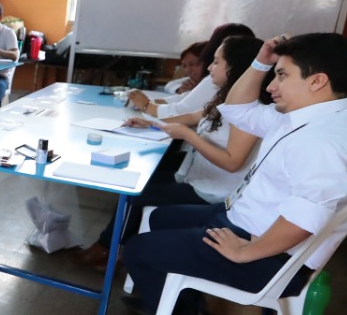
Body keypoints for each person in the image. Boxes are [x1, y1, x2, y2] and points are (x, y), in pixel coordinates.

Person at [117, 32, 347, 315]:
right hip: (244, 220)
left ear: (317, 81)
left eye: (282, 75)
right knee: (157, 218)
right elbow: (236, 109)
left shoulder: (322, 142)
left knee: (140, 250)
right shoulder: (316, 115)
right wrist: (260, 62)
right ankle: (174, 300)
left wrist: (245, 252)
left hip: (268, 254)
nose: (270, 85)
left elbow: (306, 218)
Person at [69, 35, 269, 269]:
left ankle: (106, 251)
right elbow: (194, 116)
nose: (210, 68)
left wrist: (188, 135)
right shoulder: (224, 96)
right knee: (142, 181)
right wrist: (153, 124)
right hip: (197, 179)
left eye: (216, 62)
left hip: (213, 193)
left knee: (135, 195)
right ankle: (118, 246)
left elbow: (233, 162)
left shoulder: (250, 111)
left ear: (236, 68)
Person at [127, 24, 255, 118]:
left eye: (216, 61)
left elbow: (182, 112)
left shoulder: (217, 81)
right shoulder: (244, 81)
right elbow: (186, 99)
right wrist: (149, 102)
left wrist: (146, 105)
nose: (210, 67)